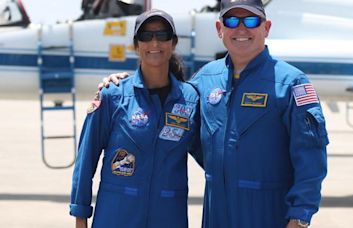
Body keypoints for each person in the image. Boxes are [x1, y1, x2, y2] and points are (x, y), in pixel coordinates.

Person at [100, 0, 329, 227]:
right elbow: (174, 111)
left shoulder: (291, 83)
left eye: (250, 20)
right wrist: (124, 83)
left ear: (266, 27)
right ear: (220, 29)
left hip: (268, 212)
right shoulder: (206, 78)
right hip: (216, 211)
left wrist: (300, 217)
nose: (241, 28)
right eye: (231, 20)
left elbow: (311, 158)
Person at [69, 9, 202, 228]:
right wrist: (80, 217)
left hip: (168, 217)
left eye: (162, 35)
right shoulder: (112, 95)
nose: (154, 43)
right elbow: (85, 161)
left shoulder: (190, 100)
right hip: (116, 216)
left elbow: (214, 157)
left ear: (173, 42)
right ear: (136, 45)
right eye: (146, 36)